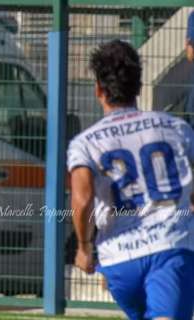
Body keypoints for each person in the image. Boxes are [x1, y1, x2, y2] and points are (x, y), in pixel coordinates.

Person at [69, 40, 194, 320]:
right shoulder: (176, 128)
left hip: (118, 259)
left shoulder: (85, 143)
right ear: (139, 87)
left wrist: (84, 247)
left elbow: (83, 198)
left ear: (99, 90)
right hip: (169, 247)